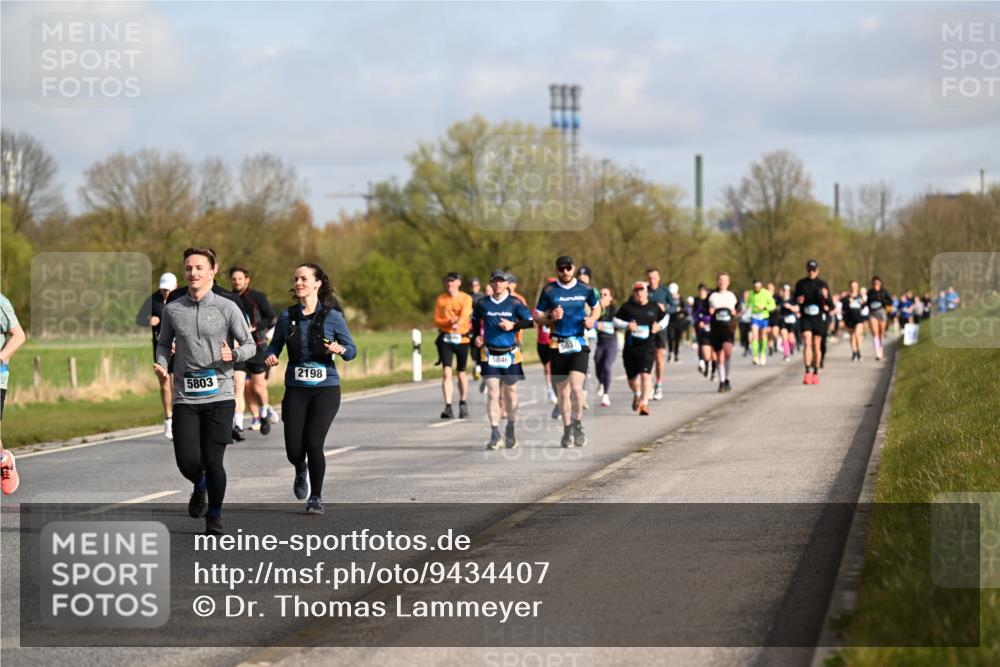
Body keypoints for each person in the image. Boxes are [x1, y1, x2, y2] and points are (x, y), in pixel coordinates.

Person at [155, 247, 256, 535]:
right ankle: (199, 485)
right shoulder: (173, 309)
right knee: (187, 461)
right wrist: (162, 363)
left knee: (213, 461)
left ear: (213, 271)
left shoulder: (227, 307)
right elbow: (163, 343)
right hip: (186, 396)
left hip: (220, 396)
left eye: (199, 267)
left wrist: (233, 356)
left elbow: (249, 344)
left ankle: (215, 516)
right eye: (188, 268)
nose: (193, 272)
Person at [265, 263, 356, 514]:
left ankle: (316, 497)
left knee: (314, 443)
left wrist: (341, 349)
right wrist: (270, 356)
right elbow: (274, 347)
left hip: (325, 389)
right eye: (295, 279)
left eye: (304, 279)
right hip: (296, 388)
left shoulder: (333, 317)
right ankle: (300, 467)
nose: (298, 283)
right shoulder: (287, 316)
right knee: (295, 449)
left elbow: (352, 351)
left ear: (318, 283)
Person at [534, 256, 601, 448]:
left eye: (568, 268)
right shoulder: (549, 291)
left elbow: (597, 308)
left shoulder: (585, 289)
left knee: (577, 388)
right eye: (561, 269)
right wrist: (549, 316)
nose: (565, 272)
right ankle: (567, 428)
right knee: (563, 393)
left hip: (579, 343)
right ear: (556, 270)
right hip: (557, 345)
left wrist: (592, 320)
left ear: (573, 268)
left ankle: (578, 424)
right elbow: (537, 316)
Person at [472, 270, 535, 450]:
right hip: (489, 353)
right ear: (490, 284)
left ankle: (510, 426)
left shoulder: (515, 303)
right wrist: (476, 337)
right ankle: (494, 433)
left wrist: (513, 325)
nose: (498, 284)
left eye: (501, 281)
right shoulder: (482, 303)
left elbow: (530, 321)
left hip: (511, 354)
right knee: (492, 392)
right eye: (495, 281)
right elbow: (475, 322)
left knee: (511, 392)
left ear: (507, 284)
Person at [230, 266, 279, 436]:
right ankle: (237, 424)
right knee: (238, 387)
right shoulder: (228, 298)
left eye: (240, 279)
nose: (237, 282)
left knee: (258, 388)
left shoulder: (257, 297)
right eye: (234, 279)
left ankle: (265, 412)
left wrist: (254, 327)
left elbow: (271, 317)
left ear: (247, 280)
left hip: (258, 347)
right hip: (238, 350)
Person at [614, 282, 668, 414]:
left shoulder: (654, 307)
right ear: (633, 293)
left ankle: (644, 404)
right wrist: (627, 325)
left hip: (647, 348)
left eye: (641, 290)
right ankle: (637, 394)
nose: (639, 293)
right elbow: (615, 320)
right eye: (636, 291)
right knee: (632, 379)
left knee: (646, 375)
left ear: (646, 292)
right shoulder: (627, 307)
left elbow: (665, 317)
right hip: (631, 348)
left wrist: (659, 326)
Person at [136, 272, 178, 439]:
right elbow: (138, 319)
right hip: (161, 349)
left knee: (177, 385)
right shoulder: (153, 300)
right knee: (165, 383)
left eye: (168, 289)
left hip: (180, 349)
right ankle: (168, 419)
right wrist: (149, 320)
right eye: (163, 289)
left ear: (175, 287)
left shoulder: (183, 298)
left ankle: (179, 418)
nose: (165, 293)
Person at [433, 272, 473, 419]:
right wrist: (448, 322)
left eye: (453, 282)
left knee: (461, 372)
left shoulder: (466, 298)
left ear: (459, 283)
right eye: (448, 282)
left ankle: (463, 402)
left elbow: (465, 314)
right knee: (446, 373)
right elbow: (436, 320)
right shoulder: (441, 299)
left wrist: (458, 323)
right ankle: (448, 406)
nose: (450, 284)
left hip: (462, 338)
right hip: (446, 338)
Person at [0, 293, 27, 495]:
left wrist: (1, 357)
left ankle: (3, 462)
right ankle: (2, 458)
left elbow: (19, 335)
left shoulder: (1, 303)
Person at [793, 259, 833, 384]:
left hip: (818, 318)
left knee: (817, 345)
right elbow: (795, 299)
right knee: (807, 341)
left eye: (814, 270)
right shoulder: (800, 284)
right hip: (806, 316)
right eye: (809, 270)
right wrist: (798, 301)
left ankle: (816, 372)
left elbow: (831, 305)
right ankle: (807, 371)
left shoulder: (822, 284)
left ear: (818, 270)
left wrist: (826, 297)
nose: (811, 272)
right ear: (807, 270)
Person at [708, 273, 741, 392]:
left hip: (729, 328)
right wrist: (709, 311)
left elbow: (739, 309)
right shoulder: (712, 296)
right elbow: (704, 310)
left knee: (727, 353)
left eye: (724, 280)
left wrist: (735, 312)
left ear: (728, 282)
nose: (722, 282)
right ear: (717, 281)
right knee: (719, 356)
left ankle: (727, 378)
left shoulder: (732, 296)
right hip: (716, 329)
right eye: (720, 280)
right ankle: (722, 382)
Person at [645, 269, 672, 400]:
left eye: (654, 278)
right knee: (648, 357)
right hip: (646, 328)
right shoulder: (643, 290)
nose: (652, 280)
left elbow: (674, 306)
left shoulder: (664, 291)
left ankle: (659, 385)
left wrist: (665, 308)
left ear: (659, 278)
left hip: (661, 328)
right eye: (650, 278)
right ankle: (648, 386)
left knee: (659, 357)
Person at [593, 287, 618, 407]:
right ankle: (601, 382)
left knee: (607, 367)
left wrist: (605, 325)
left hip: (611, 342)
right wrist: (597, 324)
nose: (602, 296)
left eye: (605, 294)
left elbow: (617, 324)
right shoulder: (596, 309)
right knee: (597, 363)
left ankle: (606, 395)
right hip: (600, 342)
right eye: (601, 294)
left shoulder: (614, 310)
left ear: (610, 297)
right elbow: (591, 321)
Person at [536, 277, 558, 406]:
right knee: (547, 368)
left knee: (552, 367)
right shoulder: (541, 306)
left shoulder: (559, 306)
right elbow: (534, 319)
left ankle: (553, 391)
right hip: (542, 342)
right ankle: (550, 388)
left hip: (554, 342)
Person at [745, 279, 776, 366]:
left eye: (758, 287)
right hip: (755, 317)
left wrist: (765, 307)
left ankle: (762, 354)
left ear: (761, 286)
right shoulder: (751, 293)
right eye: (755, 287)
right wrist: (744, 310)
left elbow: (773, 305)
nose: (756, 289)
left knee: (763, 336)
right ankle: (755, 356)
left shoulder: (766, 293)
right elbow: (748, 304)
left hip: (764, 317)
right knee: (755, 336)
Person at [867, 276, 892, 361]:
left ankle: (881, 349)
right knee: (875, 333)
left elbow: (890, 301)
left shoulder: (884, 292)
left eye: (877, 283)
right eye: (874, 283)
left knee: (881, 333)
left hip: (882, 312)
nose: (876, 285)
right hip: (872, 313)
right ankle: (877, 352)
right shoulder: (870, 292)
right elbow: (867, 302)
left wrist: (882, 300)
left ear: (880, 283)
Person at [691, 283, 714, 378]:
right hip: (699, 325)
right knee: (701, 343)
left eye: (704, 290)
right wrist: (698, 321)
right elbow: (694, 312)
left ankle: (710, 364)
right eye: (700, 290)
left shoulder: (710, 300)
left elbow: (711, 313)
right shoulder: (696, 300)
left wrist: (706, 321)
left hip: (709, 325)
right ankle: (702, 362)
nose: (702, 292)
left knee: (710, 346)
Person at [776, 283, 800, 363]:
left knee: (791, 339)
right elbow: (775, 307)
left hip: (791, 320)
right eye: (784, 290)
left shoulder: (793, 299)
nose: (785, 292)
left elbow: (797, 309)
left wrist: (790, 307)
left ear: (789, 291)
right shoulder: (780, 299)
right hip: (782, 319)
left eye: (786, 290)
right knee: (784, 335)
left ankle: (791, 347)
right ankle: (786, 354)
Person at [666, 282, 687, 363]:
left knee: (677, 338)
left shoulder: (680, 298)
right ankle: (670, 352)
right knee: (670, 337)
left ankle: (676, 354)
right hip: (670, 320)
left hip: (678, 320)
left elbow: (685, 309)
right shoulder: (667, 298)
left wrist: (681, 312)